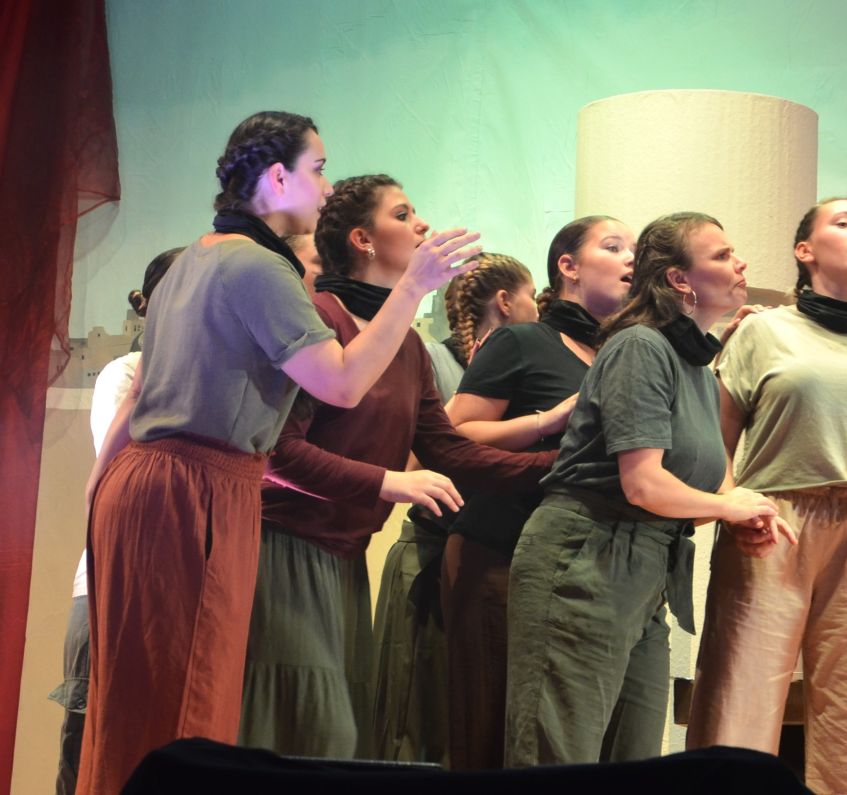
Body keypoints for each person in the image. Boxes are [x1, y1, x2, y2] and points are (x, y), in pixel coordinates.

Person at [78, 111, 480, 795]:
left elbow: (138, 400)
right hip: (196, 490)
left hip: (142, 484)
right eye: (317, 169)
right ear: (276, 177)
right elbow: (342, 384)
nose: (326, 188)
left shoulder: (195, 257)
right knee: (188, 705)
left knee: (136, 702)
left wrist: (98, 492)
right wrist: (414, 286)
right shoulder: (259, 267)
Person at [239, 176, 553, 759]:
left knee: (341, 740)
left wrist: (561, 465)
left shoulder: (405, 346)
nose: (422, 225)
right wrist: (388, 482)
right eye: (403, 214)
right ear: (362, 239)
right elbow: (277, 453)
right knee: (305, 734)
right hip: (284, 551)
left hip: (344, 555)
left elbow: (449, 450)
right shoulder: (319, 321)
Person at [504, 211, 793, 767]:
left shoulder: (697, 368)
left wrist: (737, 515)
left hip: (647, 566)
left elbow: (695, 489)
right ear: (680, 279)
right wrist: (726, 506)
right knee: (559, 761)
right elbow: (642, 483)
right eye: (721, 255)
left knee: (635, 763)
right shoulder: (640, 346)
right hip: (585, 560)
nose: (741, 263)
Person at [685, 198, 847, 792]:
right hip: (771, 524)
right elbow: (715, 444)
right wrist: (732, 505)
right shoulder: (762, 330)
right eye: (844, 224)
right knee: (740, 697)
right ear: (805, 251)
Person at [439, 215, 635, 769]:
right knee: (493, 731)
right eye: (614, 246)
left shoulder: (628, 354)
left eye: (636, 250)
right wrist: (547, 420)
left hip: (587, 566)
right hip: (499, 554)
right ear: (568, 267)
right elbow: (454, 435)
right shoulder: (522, 340)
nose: (631, 259)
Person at [371, 252, 538, 764]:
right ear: (505, 302)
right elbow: (416, 461)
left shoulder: (515, 371)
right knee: (420, 715)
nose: (540, 309)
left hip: (483, 559)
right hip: (430, 555)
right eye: (533, 296)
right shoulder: (435, 362)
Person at [48, 247, 181, 795]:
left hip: (183, 587)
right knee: (87, 742)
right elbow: (129, 463)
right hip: (109, 584)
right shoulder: (123, 373)